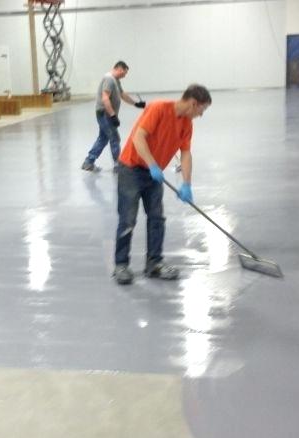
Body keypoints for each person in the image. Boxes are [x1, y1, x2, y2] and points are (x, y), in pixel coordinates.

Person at [113, 84, 212, 285]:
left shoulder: (186, 124)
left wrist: (186, 184)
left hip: (153, 173)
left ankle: (154, 264)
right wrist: (152, 165)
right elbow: (138, 138)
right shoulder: (158, 108)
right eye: (202, 110)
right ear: (193, 104)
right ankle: (121, 265)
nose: (200, 115)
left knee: (157, 218)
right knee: (128, 219)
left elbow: (186, 154)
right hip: (131, 169)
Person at [81, 61, 146, 173]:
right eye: (124, 73)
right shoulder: (109, 80)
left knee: (103, 138)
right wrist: (112, 115)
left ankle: (88, 162)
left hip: (106, 114)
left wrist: (135, 103)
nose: (124, 76)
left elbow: (122, 95)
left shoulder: (115, 80)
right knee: (115, 138)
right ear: (119, 69)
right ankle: (118, 165)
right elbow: (105, 98)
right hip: (104, 113)